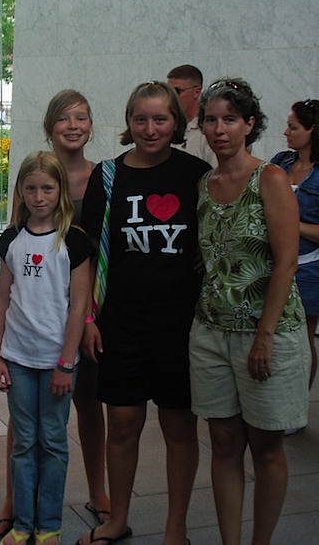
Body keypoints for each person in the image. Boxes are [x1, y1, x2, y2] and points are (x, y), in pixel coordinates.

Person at [77, 81, 210, 545]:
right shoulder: (109, 176)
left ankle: (177, 527)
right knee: (124, 424)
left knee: (178, 426)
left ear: (176, 122)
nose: (150, 129)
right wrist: (89, 319)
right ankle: (117, 517)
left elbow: (215, 234)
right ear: (128, 122)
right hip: (122, 322)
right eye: (140, 119)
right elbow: (88, 254)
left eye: (160, 119)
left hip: (180, 323)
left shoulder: (196, 173)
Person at [0, 91, 111, 540]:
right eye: (63, 118)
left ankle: (96, 495)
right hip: (30, 336)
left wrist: (88, 320)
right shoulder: (32, 191)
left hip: (79, 316)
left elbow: (101, 253)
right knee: (24, 428)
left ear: (91, 124)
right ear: (49, 126)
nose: (73, 125)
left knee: (84, 408)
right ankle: (15, 505)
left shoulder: (104, 178)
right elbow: (11, 279)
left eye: (81, 116)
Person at [189, 78, 310, 545]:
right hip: (211, 332)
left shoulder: (271, 179)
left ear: (250, 124)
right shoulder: (205, 183)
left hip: (266, 334)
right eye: (211, 120)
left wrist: (264, 335)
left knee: (266, 447)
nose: (219, 129)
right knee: (223, 446)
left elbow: (286, 261)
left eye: (230, 120)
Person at [0, 150, 92, 545]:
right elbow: (2, 299)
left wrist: (66, 363)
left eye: (47, 188)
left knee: (52, 441)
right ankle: (23, 523)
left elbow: (79, 306)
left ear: (60, 190)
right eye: (30, 188)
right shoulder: (12, 239)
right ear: (20, 191)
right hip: (17, 358)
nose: (38, 196)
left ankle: (49, 524)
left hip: (56, 361)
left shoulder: (74, 241)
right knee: (23, 442)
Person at [271, 99, 319, 397]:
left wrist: (291, 222)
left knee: (301, 336)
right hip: (275, 261)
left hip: (309, 266)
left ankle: (298, 400)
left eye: (293, 127)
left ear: (312, 130)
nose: (286, 132)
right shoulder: (280, 162)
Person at [167, 65, 216, 166]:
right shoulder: (165, 128)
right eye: (168, 91)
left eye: (177, 91)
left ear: (196, 92)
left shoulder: (208, 131)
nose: (171, 97)